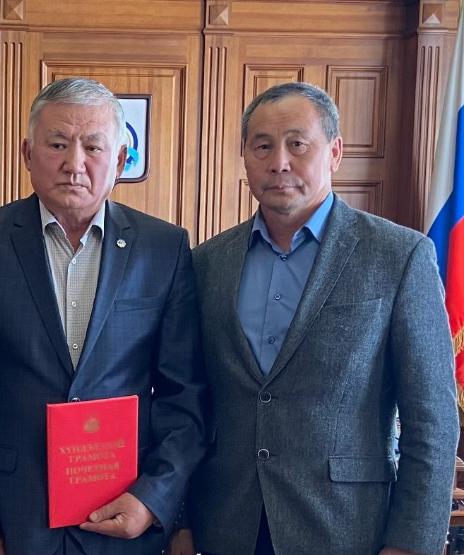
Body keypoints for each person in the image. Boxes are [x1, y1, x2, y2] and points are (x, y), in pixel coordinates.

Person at [177, 82, 459, 555]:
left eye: (297, 144)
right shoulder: (207, 263)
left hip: (346, 529)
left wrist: (412, 543)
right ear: (245, 157)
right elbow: (188, 403)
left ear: (335, 152)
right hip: (226, 525)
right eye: (262, 146)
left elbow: (432, 418)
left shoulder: (398, 256)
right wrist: (179, 521)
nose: (279, 162)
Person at [0, 77, 209, 555]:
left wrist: (154, 498)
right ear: (27, 154)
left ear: (120, 160)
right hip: (10, 514)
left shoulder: (163, 248)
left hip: (123, 510)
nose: (74, 164)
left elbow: (183, 396)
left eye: (93, 147)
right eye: (58, 144)